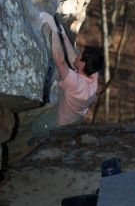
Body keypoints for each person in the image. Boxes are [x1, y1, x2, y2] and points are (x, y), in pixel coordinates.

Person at [31, 12, 104, 140]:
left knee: (36, 127)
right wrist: (64, 36)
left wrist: (54, 31)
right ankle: (65, 136)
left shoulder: (75, 84)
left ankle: (43, 142)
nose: (78, 55)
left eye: (80, 55)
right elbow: (74, 60)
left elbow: (60, 61)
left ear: (83, 63)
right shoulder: (93, 73)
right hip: (77, 115)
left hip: (63, 120)